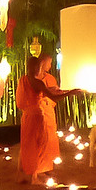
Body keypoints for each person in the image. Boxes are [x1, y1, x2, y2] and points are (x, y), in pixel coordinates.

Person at [16, 54, 76, 183]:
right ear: (38, 67)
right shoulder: (37, 82)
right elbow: (52, 97)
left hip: (27, 115)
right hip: (37, 115)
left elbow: (20, 101)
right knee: (39, 145)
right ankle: (34, 176)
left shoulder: (23, 80)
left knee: (28, 144)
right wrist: (71, 93)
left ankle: (26, 174)